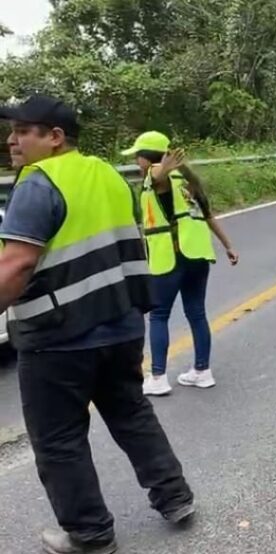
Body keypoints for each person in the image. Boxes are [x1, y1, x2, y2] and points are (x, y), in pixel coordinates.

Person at [0, 95, 194, 553]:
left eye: (23, 131)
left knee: (59, 438)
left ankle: (89, 533)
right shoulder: (110, 175)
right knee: (132, 415)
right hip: (123, 323)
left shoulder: (37, 182)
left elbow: (17, 264)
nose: (12, 140)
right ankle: (175, 497)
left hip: (58, 336)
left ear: (55, 137)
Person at [120, 131, 239, 396]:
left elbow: (157, 177)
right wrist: (228, 246)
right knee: (196, 313)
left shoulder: (156, 176)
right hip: (198, 256)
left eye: (137, 156)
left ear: (147, 157)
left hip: (171, 256)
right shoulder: (188, 180)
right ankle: (202, 371)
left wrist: (162, 167)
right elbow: (207, 216)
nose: (136, 162)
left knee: (159, 315)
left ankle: (159, 377)